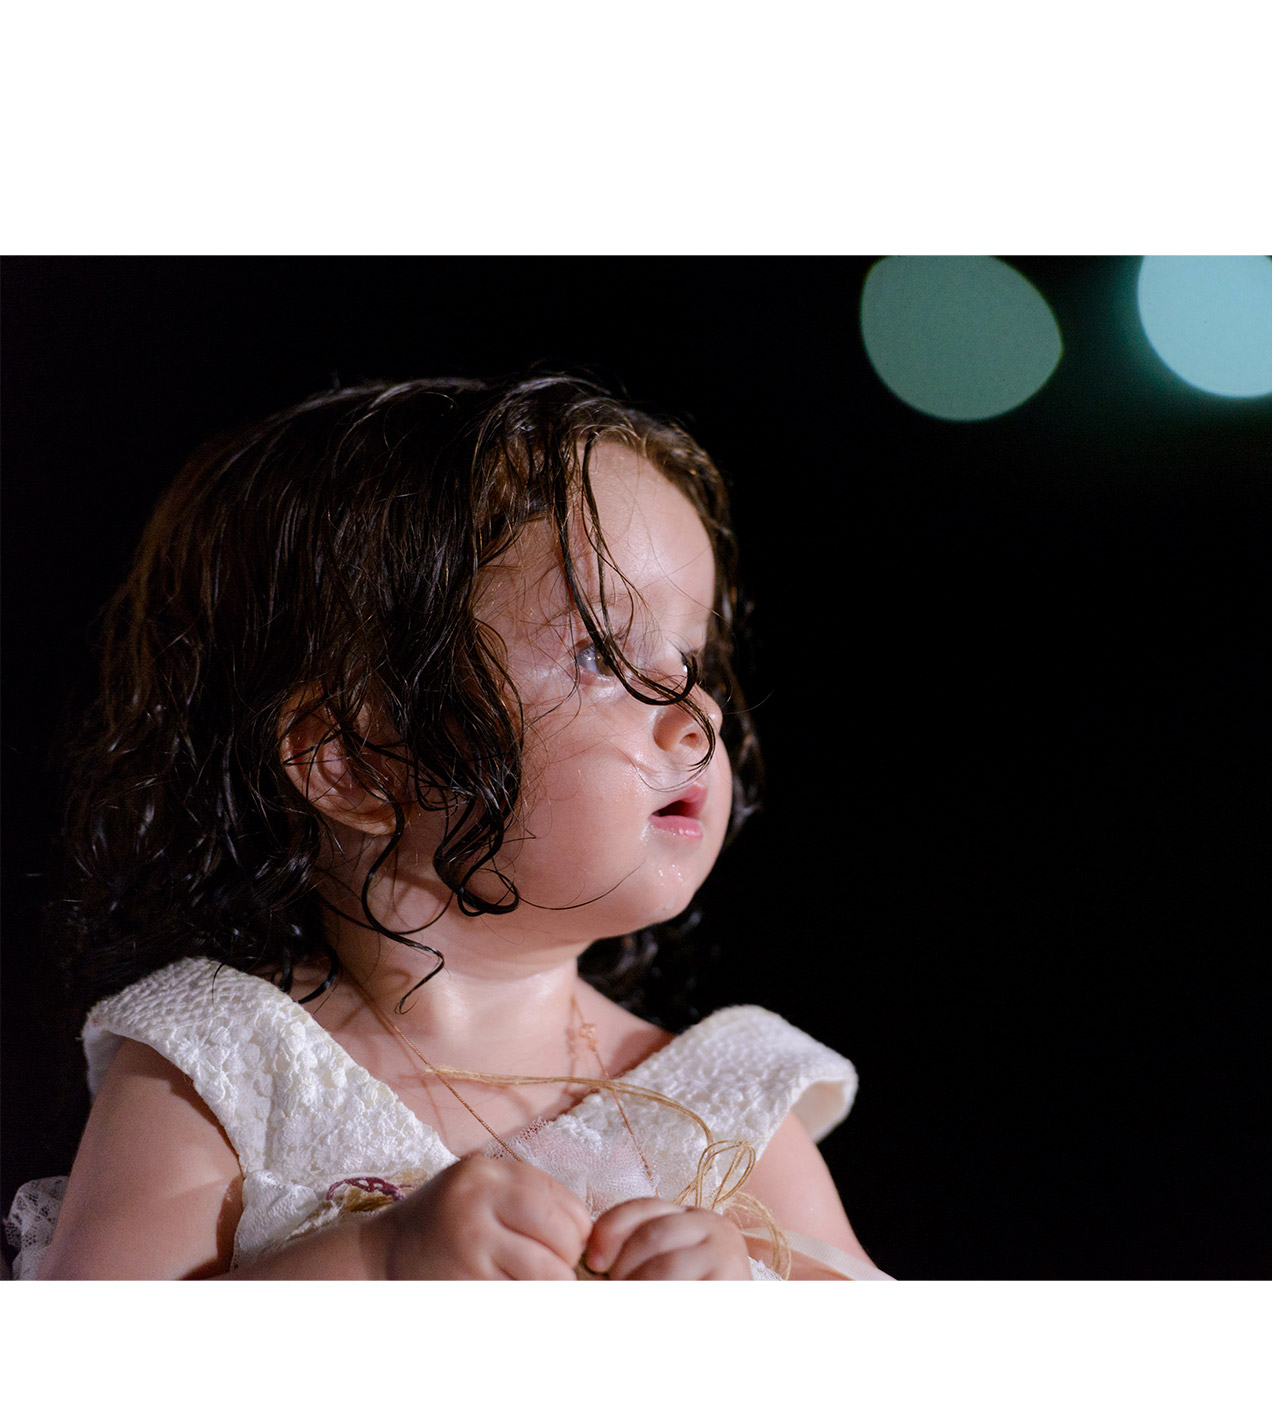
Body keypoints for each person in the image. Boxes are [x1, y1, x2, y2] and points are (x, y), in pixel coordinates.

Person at [7, 375, 886, 1281]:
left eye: (690, 660)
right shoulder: (221, 1067)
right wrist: (376, 1261)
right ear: (356, 761)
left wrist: (745, 1297)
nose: (697, 713)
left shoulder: (723, 1104)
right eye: (599, 655)